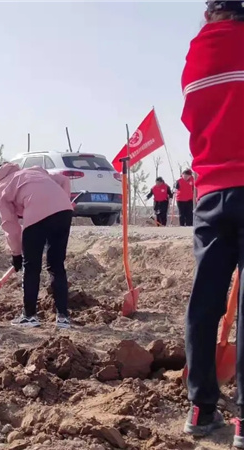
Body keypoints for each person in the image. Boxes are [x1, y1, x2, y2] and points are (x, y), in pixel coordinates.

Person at [180, 1, 244, 445]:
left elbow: (195, 118)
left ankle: (201, 408)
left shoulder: (195, 55)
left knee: (205, 301)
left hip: (210, 193)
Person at [0, 162, 74, 329]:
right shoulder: (34, 170)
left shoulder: (1, 187)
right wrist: (62, 202)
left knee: (31, 266)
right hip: (64, 211)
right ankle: (63, 317)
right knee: (56, 265)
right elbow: (63, 180)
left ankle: (29, 316)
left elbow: (10, 225)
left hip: (37, 214)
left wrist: (16, 254)